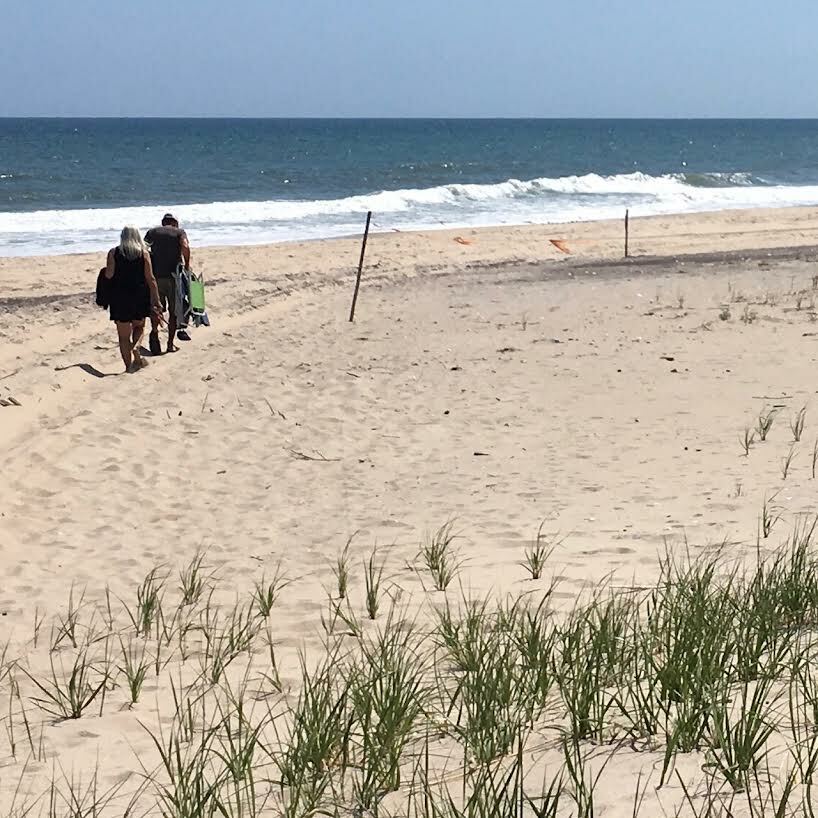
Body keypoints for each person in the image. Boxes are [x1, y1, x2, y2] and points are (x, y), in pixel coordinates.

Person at [104, 226, 161, 373]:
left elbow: (109, 275)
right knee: (139, 327)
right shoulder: (144, 254)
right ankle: (136, 347)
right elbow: (151, 279)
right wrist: (156, 300)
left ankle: (128, 367)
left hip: (119, 297)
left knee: (123, 337)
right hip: (139, 296)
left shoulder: (113, 252)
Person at [145, 213, 190, 354]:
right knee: (173, 312)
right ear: (174, 223)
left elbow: (143, 249)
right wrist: (187, 265)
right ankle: (170, 344)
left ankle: (154, 333)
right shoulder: (179, 232)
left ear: (163, 222)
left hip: (155, 277)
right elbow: (185, 247)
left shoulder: (152, 232)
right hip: (173, 277)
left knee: (156, 308)